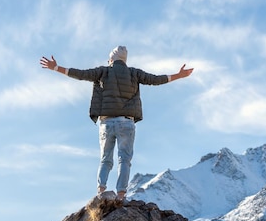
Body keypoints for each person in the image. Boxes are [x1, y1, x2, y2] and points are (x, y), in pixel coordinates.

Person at [40, 46, 193, 201]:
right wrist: (179, 75)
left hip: (106, 122)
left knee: (105, 159)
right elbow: (155, 80)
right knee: (124, 159)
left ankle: (101, 191)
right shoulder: (134, 73)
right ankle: (121, 195)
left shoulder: (103, 71)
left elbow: (81, 74)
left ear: (111, 59)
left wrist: (56, 68)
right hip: (126, 123)